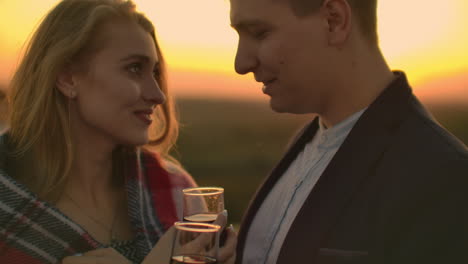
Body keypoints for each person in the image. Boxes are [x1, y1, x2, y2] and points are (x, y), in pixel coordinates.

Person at [229, 0, 468, 263]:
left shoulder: (442, 177)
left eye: (260, 32)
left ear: (334, 20)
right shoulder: (305, 143)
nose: (241, 63)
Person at [0, 0, 236, 263]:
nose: (157, 95)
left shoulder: (174, 190)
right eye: (134, 68)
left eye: (155, 72)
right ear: (67, 78)